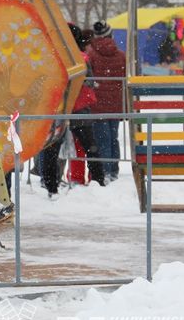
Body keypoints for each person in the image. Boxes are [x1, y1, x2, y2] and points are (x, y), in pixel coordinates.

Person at [41, 24, 106, 199]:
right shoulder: (81, 58)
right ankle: (99, 182)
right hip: (79, 108)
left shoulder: (52, 58)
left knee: (51, 148)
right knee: (89, 146)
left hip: (57, 109)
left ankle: (51, 186)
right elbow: (90, 82)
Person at [87, 20, 126, 183]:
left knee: (101, 139)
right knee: (113, 137)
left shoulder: (90, 54)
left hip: (97, 104)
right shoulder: (121, 55)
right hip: (115, 103)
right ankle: (114, 169)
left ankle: (105, 170)